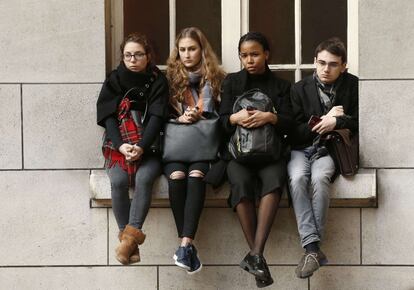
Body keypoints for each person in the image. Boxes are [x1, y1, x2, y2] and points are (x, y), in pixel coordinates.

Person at [219, 32, 293, 288]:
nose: (249, 60)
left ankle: (255, 255)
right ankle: (257, 257)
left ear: (266, 54)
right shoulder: (231, 83)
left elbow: (291, 124)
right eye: (244, 55)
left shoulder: (282, 86)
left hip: (271, 155)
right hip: (238, 155)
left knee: (274, 180)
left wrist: (271, 118)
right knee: (239, 183)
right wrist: (233, 118)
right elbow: (219, 123)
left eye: (255, 54)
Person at [287, 37, 358, 278]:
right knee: (297, 179)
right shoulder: (299, 88)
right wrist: (324, 118)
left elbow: (359, 120)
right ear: (314, 62)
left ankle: (311, 250)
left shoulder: (353, 86)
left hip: (329, 150)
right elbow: (292, 130)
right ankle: (314, 249)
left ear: (344, 65)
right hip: (299, 149)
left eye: (333, 64)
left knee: (319, 179)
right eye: (321, 63)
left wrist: (337, 121)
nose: (326, 69)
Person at [96, 33, 169, 265]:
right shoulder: (114, 79)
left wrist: (141, 147)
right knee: (117, 181)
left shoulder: (158, 80)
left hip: (149, 147)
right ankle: (129, 243)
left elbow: (157, 117)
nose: (133, 59)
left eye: (138, 54)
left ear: (148, 56)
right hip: (118, 146)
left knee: (144, 178)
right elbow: (108, 116)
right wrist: (121, 145)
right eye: (128, 55)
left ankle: (126, 243)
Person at [165, 27, 225, 274]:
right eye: (183, 50)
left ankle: (185, 245)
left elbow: (222, 117)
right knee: (177, 176)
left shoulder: (217, 79)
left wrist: (200, 115)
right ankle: (187, 246)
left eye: (192, 49)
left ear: (202, 50)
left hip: (203, 146)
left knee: (196, 176)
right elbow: (161, 115)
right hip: (176, 145)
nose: (187, 54)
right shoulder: (168, 80)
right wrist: (179, 119)